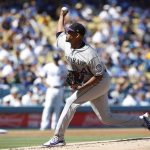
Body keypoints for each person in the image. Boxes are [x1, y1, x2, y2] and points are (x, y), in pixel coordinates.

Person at [43, 8, 150, 147]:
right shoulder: (66, 42)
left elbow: (98, 76)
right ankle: (144, 121)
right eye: (68, 31)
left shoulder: (89, 54)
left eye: (70, 32)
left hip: (100, 81)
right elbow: (58, 31)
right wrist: (62, 16)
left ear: (78, 36)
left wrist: (82, 87)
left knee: (71, 102)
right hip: (91, 80)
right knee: (107, 118)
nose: (67, 33)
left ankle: (58, 137)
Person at [40, 53, 67, 130]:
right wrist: (45, 84)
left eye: (57, 59)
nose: (56, 60)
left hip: (60, 88)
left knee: (57, 108)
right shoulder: (48, 66)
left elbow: (66, 76)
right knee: (47, 106)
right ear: (53, 59)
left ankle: (54, 126)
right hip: (51, 89)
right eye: (55, 59)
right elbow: (41, 76)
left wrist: (64, 83)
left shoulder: (62, 66)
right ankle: (44, 126)